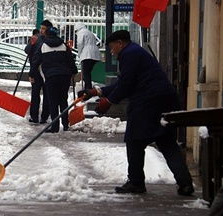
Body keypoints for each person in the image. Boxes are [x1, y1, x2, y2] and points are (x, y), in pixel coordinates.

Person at [78, 30, 194, 196]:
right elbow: (124, 82)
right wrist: (97, 92)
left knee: (134, 141)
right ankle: (185, 184)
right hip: (164, 101)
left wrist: (108, 102)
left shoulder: (129, 54)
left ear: (120, 43)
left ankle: (136, 182)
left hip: (149, 103)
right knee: (167, 142)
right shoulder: (136, 52)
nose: (112, 52)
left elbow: (126, 84)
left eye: (112, 48)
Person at [30, 26, 78, 133]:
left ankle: (55, 126)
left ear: (46, 34)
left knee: (53, 101)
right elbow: (70, 60)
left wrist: (32, 74)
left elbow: (36, 61)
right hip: (65, 76)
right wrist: (74, 71)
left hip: (51, 77)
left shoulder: (43, 46)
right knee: (63, 100)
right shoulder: (64, 45)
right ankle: (65, 124)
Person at [24, 28, 49, 124]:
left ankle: (34, 116)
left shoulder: (35, 39)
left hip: (35, 70)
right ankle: (44, 117)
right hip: (46, 70)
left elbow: (27, 51)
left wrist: (31, 43)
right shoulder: (47, 39)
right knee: (47, 94)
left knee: (35, 93)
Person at [74, 22, 100, 89]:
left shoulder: (81, 32)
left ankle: (88, 89)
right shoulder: (89, 32)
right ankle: (88, 88)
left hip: (87, 54)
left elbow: (80, 43)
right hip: (94, 54)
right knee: (88, 72)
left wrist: (79, 53)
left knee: (85, 73)